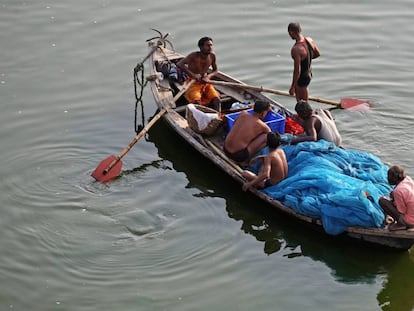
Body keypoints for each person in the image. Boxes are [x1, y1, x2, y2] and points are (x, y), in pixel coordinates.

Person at [177, 37, 225, 112]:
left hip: (206, 83)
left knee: (217, 100)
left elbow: (215, 70)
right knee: (197, 102)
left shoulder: (212, 56)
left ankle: (218, 117)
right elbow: (180, 64)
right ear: (201, 47)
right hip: (193, 83)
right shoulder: (193, 56)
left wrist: (208, 76)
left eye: (211, 45)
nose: (210, 48)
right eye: (207, 45)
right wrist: (193, 75)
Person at [288, 22, 320, 102]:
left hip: (301, 78)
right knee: (304, 101)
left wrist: (292, 86)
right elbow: (317, 54)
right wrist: (307, 62)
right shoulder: (309, 40)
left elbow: (297, 71)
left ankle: (306, 113)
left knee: (301, 103)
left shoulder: (296, 49)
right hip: (309, 74)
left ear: (291, 32)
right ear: (300, 30)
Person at [379, 165, 414, 231]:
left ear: (395, 178)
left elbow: (402, 211)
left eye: (389, 177)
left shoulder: (398, 190)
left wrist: (393, 202)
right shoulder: (408, 179)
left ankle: (401, 224)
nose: (387, 178)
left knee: (382, 201)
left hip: (410, 221)